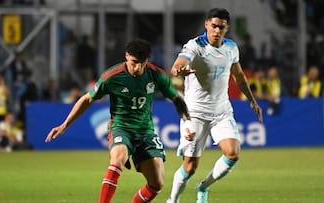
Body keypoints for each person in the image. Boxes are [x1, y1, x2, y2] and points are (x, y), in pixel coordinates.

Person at [45, 38, 195, 203]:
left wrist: (187, 122)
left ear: (148, 61)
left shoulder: (157, 75)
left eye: (142, 63)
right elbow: (87, 99)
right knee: (118, 160)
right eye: (133, 62)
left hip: (145, 132)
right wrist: (65, 125)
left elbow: (176, 99)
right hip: (121, 128)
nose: (137, 68)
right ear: (126, 56)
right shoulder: (112, 76)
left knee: (157, 184)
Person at [166, 8, 262, 203]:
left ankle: (203, 187)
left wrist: (252, 100)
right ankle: (173, 200)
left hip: (221, 112)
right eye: (214, 26)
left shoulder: (231, 48)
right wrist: (179, 70)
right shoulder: (195, 46)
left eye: (222, 27)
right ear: (207, 25)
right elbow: (178, 64)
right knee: (190, 167)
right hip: (195, 113)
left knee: (233, 154)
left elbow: (239, 76)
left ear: (227, 28)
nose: (217, 30)